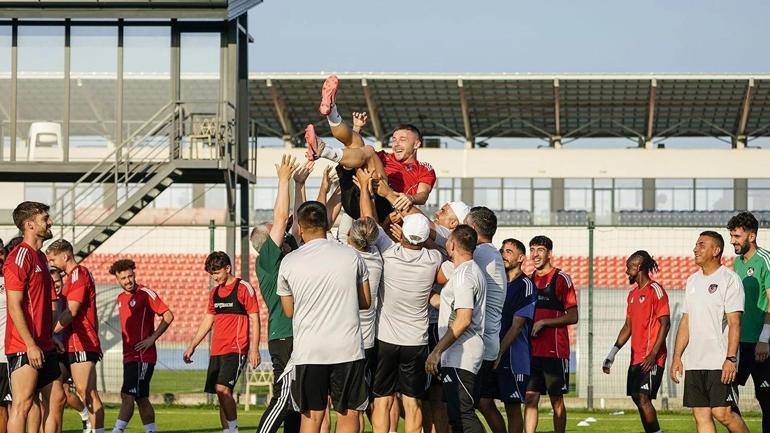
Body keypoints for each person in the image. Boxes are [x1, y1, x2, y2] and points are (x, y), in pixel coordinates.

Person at [277, 201, 371, 433]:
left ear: (299, 227)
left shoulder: (289, 262)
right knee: (348, 415)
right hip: (346, 348)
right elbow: (366, 302)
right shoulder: (351, 256)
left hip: (310, 351)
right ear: (327, 224)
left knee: (312, 418)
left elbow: (289, 311)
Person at [306, 75, 436, 220]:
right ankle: (331, 111)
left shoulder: (423, 168)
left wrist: (411, 198)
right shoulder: (384, 157)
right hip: (355, 194)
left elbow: (423, 195)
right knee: (362, 149)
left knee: (368, 151)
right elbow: (354, 151)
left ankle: (324, 148)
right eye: (394, 140)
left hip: (384, 205)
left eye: (402, 140)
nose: (396, 144)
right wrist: (356, 128)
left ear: (417, 144)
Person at [368, 210, 443, 433]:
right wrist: (423, 239)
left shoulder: (389, 252)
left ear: (402, 234)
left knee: (382, 400)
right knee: (413, 403)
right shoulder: (433, 259)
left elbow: (369, 220)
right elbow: (439, 249)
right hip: (416, 341)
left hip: (386, 339)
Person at [671, 231, 749, 433]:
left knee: (722, 413)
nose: (695, 248)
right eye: (696, 244)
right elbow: (686, 320)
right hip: (695, 361)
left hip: (719, 361)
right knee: (701, 415)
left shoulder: (729, 279)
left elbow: (734, 323)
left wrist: (731, 359)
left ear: (716, 250)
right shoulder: (692, 281)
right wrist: (677, 356)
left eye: (701, 244)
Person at [2, 202, 66, 433]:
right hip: (23, 345)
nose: (50, 222)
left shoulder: (39, 257)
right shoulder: (19, 256)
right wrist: (30, 344)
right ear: (29, 225)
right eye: (45, 218)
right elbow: (14, 305)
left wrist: (49, 336)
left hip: (45, 344)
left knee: (57, 398)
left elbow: (40, 305)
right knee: (23, 404)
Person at [183, 252, 261, 433]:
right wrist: (193, 345)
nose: (214, 277)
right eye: (212, 274)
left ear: (228, 268)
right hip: (217, 350)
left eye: (217, 273)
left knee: (222, 389)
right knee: (221, 394)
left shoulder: (243, 288)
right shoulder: (214, 293)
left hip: (237, 348)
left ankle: (232, 429)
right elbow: (208, 319)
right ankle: (227, 430)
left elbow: (255, 319)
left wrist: (255, 349)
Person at [252, 155, 302, 433]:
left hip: (297, 333)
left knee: (298, 402)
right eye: (275, 233)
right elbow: (282, 217)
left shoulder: (286, 253)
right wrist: (283, 179)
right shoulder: (268, 258)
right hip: (285, 335)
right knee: (283, 397)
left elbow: (296, 221)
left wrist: (298, 183)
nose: (281, 233)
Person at [426, 225, 486, 433]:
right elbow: (450, 306)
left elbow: (463, 320)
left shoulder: (463, 276)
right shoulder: (467, 271)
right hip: (459, 353)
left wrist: (437, 351)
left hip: (462, 354)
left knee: (463, 416)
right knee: (455, 416)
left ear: (451, 244)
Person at [603, 251, 670, 433]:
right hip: (636, 358)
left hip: (652, 357)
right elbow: (627, 327)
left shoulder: (655, 290)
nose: (626, 272)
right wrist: (612, 354)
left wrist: (654, 354)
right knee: (636, 397)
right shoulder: (632, 295)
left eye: (629, 267)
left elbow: (665, 323)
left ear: (638, 266)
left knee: (642, 396)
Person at [109, 259, 174, 433]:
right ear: (117, 279)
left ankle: (117, 430)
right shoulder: (121, 298)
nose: (128, 281)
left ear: (134, 274)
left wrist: (152, 338)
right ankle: (151, 431)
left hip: (142, 356)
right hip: (129, 356)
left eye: (130, 276)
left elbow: (168, 315)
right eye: (123, 278)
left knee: (128, 395)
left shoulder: (145, 293)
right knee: (141, 397)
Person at [46, 239, 104, 433]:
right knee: (85, 392)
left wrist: (50, 333)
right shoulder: (73, 277)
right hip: (79, 342)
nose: (51, 263)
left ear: (65, 256)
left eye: (53, 259)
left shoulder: (78, 273)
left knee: (86, 392)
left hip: (83, 342)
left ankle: (96, 429)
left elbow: (71, 311)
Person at [524, 235, 578, 433]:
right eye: (532, 250)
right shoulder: (528, 281)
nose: (535, 254)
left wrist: (545, 322)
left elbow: (573, 316)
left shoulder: (561, 278)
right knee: (530, 398)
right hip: (531, 352)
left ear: (549, 253)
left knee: (556, 399)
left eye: (540, 250)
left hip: (554, 351)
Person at [463, 207, 506, 433]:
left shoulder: (479, 255)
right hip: (489, 341)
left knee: (463, 409)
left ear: (471, 228)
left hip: (478, 342)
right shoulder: (490, 253)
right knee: (482, 402)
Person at [727, 211, 770, 433]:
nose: (732, 241)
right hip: (740, 344)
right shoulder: (737, 262)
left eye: (737, 236)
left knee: (767, 400)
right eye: (731, 236)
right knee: (727, 401)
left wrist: (765, 339)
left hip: (762, 344)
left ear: (751, 236)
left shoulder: (765, 260)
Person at [495, 239, 536, 433]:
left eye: (509, 251)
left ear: (521, 258)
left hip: (513, 358)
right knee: (483, 402)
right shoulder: (495, 281)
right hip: (491, 353)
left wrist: (499, 352)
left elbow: (517, 326)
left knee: (512, 408)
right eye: (502, 250)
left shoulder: (526, 285)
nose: (503, 254)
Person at [49, 267, 91, 433]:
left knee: (62, 393)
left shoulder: (68, 301)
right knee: (57, 394)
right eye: (52, 283)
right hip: (52, 352)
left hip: (69, 352)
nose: (55, 286)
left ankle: (86, 415)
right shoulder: (44, 300)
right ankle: (85, 417)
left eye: (58, 282)